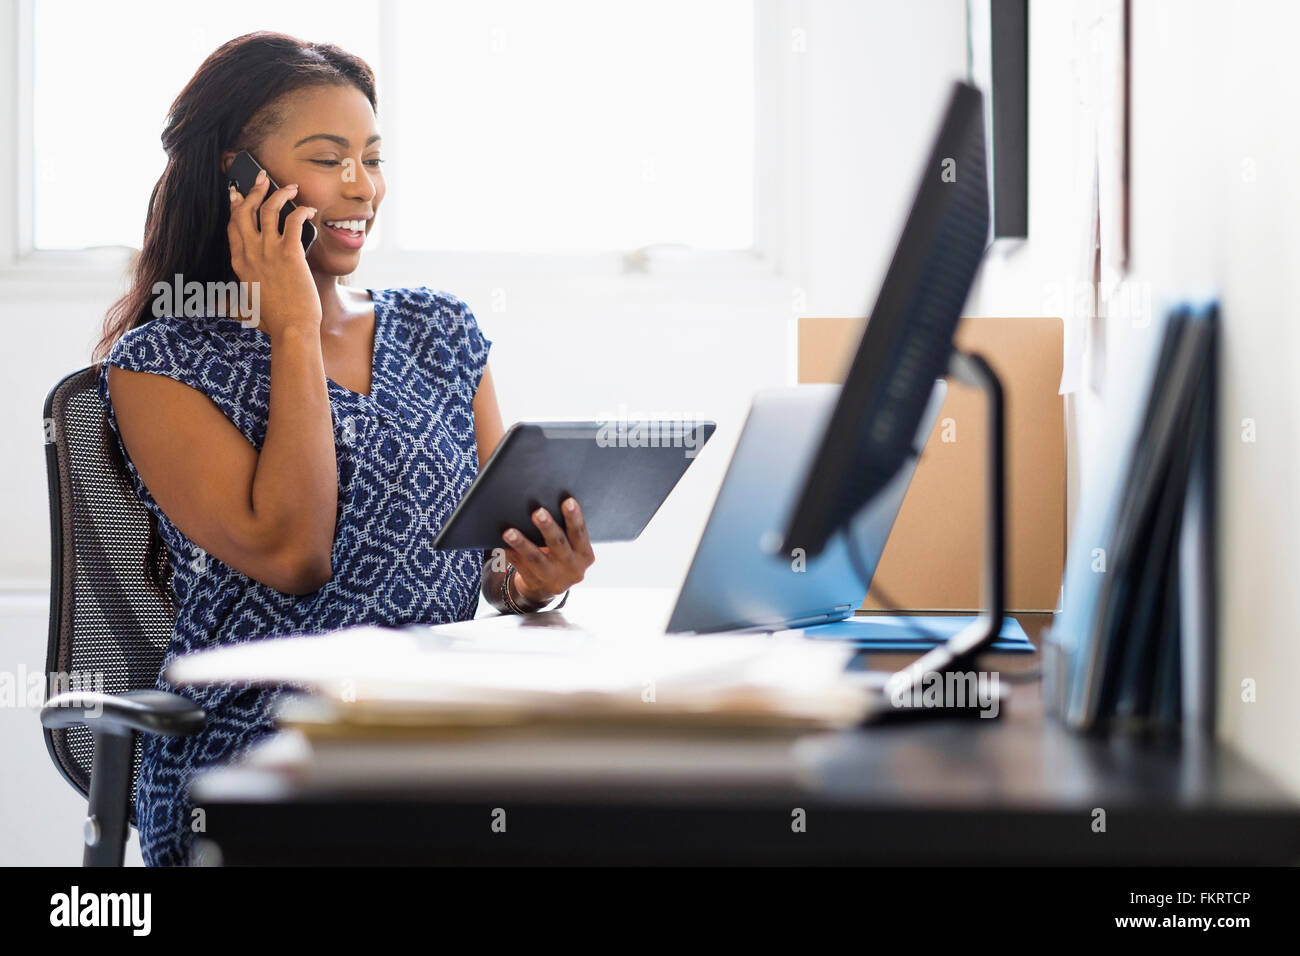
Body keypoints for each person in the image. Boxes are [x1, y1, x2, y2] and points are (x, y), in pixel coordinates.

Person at [92, 31, 594, 866]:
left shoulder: (441, 328)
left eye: (372, 157)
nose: (364, 187)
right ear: (237, 177)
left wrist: (532, 580)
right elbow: (295, 556)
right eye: (330, 160)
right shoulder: (161, 362)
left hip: (435, 739)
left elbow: (489, 561)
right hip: (258, 759)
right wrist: (292, 324)